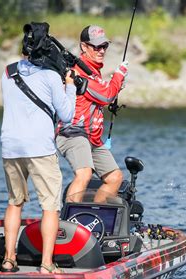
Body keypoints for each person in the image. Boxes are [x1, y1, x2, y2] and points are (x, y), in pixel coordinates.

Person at [0, 38, 76, 274]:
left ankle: (9, 259)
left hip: (10, 146)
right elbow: (67, 115)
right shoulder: (51, 77)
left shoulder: (7, 73)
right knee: (50, 207)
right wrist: (70, 86)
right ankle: (46, 264)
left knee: (14, 202)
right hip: (40, 148)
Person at [56, 25, 128, 202]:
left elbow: (102, 95)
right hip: (73, 133)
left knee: (114, 178)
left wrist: (114, 85)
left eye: (104, 46)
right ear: (84, 47)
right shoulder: (79, 72)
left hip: (92, 139)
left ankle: (93, 217)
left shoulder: (94, 72)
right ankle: (69, 225)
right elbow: (107, 95)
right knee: (84, 174)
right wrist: (119, 75)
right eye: (96, 46)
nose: (101, 50)